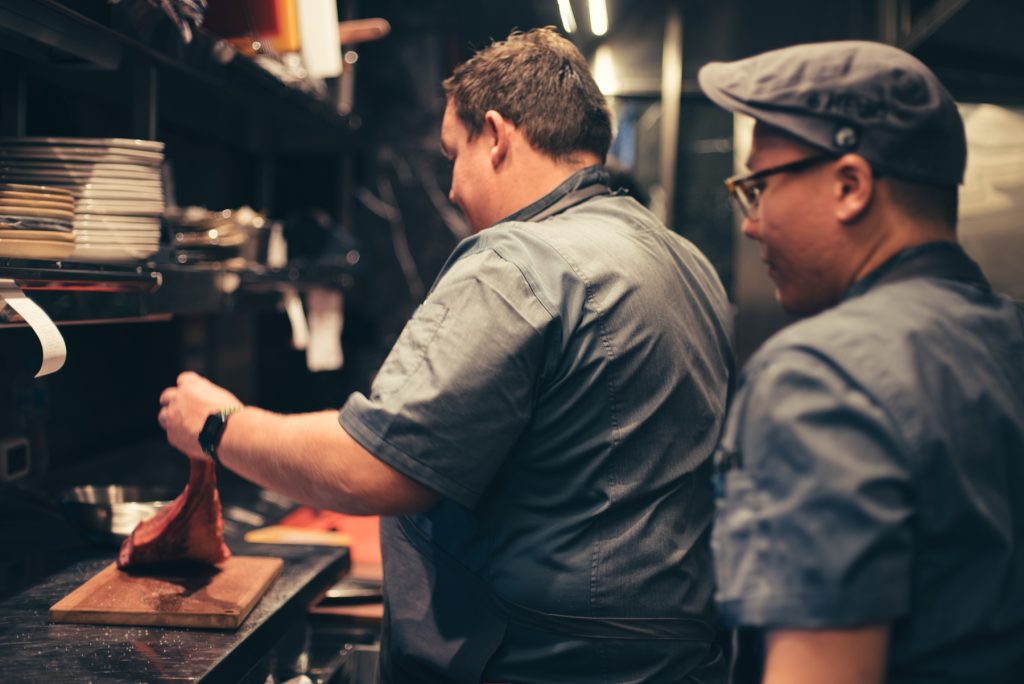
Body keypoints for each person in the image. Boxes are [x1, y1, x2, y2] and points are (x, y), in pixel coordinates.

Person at [159, 27, 734, 683]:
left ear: (495, 136)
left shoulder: (518, 259)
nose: (453, 188)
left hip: (543, 665)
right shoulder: (684, 260)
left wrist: (218, 425)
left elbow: (374, 467)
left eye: (452, 155)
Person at [698, 41, 1024, 684]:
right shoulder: (1010, 336)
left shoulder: (819, 376)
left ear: (850, 186)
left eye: (758, 187)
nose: (750, 224)